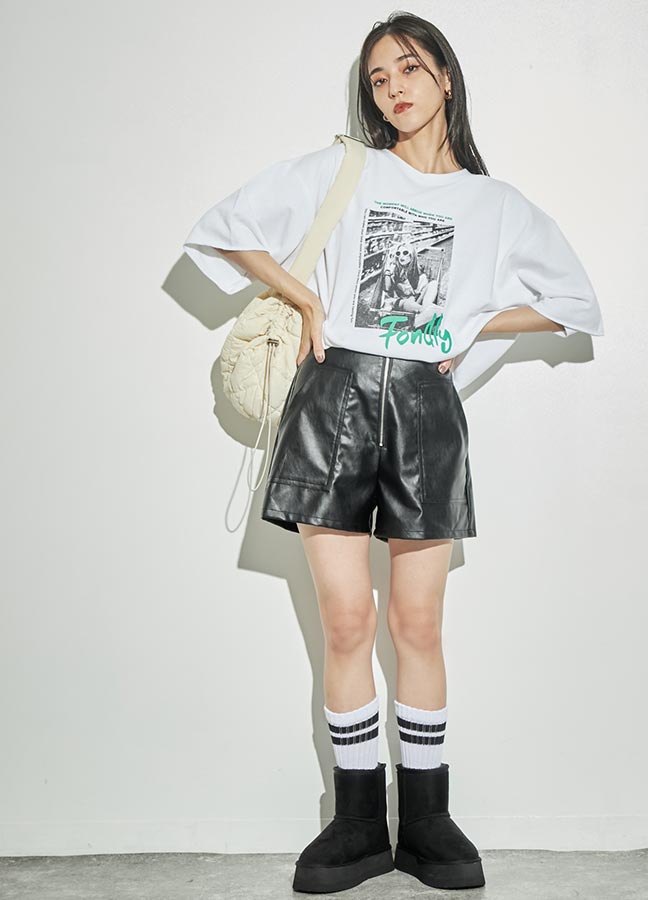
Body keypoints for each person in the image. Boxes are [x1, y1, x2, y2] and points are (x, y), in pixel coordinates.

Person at [182, 12, 604, 894]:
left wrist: (476, 323)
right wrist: (305, 299)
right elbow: (223, 229)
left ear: (445, 75)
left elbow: (575, 303)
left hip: (424, 410)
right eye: (378, 78)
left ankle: (428, 818)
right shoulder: (349, 169)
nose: (394, 89)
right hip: (330, 401)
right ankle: (356, 822)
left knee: (417, 624)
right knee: (345, 622)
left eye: (409, 69)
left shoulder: (495, 204)